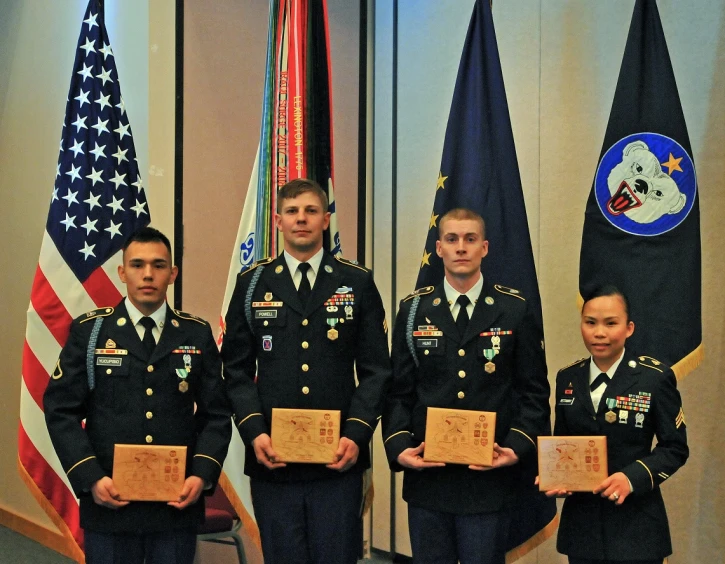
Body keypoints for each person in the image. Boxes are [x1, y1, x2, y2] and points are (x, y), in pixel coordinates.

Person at [222, 178, 392, 564]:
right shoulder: (252, 284)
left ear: (326, 219)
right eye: (293, 212)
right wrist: (254, 432)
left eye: (311, 211)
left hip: (338, 459)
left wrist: (357, 433)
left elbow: (377, 371)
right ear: (278, 220)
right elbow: (235, 370)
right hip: (273, 459)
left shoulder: (356, 282)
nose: (302, 219)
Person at [44, 227, 232, 564]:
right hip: (109, 499)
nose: (148, 274)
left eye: (159, 265)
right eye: (137, 265)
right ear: (122, 272)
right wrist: (90, 477)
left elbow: (216, 414)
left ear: (172, 274)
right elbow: (60, 409)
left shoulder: (195, 333)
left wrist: (201, 475)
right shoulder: (91, 333)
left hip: (175, 503)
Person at [382, 208, 550, 564]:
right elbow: (398, 391)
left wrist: (517, 447)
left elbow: (533, 392)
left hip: (489, 479)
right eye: (452, 239)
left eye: (470, 239)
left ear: (485, 248)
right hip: (429, 479)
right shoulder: (413, 310)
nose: (461, 247)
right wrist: (398, 446)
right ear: (439, 247)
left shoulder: (514, 309)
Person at [544, 285, 688, 564]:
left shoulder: (654, 378)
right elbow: (563, 445)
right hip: (583, 527)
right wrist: (558, 476)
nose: (600, 333)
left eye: (611, 323)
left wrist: (631, 478)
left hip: (636, 525)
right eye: (590, 323)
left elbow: (675, 448)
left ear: (629, 328)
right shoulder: (567, 378)